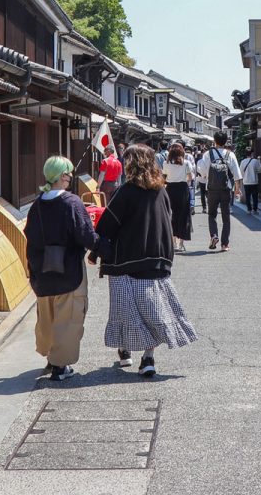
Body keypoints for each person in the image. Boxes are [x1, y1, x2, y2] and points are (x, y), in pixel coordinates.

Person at [94, 144, 198, 377]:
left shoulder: (126, 191)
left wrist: (95, 250)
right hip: (156, 259)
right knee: (154, 310)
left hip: (126, 260)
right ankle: (148, 357)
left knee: (125, 309)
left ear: (132, 163)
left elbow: (108, 224)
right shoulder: (160, 190)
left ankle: (125, 350)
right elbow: (166, 221)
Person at [24, 156, 109, 381]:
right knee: (68, 317)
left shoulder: (37, 204)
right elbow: (85, 235)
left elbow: (29, 236)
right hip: (69, 269)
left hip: (42, 270)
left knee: (47, 316)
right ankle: (61, 366)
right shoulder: (72, 203)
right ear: (62, 176)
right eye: (69, 173)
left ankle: (51, 358)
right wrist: (104, 248)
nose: (70, 177)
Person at [197, 131, 242, 251]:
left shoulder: (207, 154)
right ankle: (224, 244)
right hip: (225, 189)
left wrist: (207, 176)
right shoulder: (230, 154)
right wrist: (237, 189)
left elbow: (201, 170)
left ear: (214, 141)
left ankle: (214, 235)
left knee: (212, 214)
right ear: (226, 141)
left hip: (211, 189)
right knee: (226, 216)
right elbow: (237, 174)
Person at [162, 142, 194, 252]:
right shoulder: (186, 163)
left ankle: (173, 241)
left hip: (170, 189)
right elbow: (190, 177)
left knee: (171, 215)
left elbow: (164, 177)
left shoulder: (166, 163)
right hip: (183, 189)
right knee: (184, 215)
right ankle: (181, 243)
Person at [240, 149, 261, 214]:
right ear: (252, 154)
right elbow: (260, 169)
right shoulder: (255, 161)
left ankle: (249, 210)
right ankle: (255, 210)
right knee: (255, 196)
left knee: (247, 196)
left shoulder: (242, 161)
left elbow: (241, 171)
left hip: (246, 181)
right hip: (254, 181)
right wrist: (259, 161)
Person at [193, 143, 208, 213]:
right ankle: (205, 207)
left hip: (204, 179)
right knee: (205, 193)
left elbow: (197, 170)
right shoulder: (200, 161)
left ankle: (205, 207)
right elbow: (197, 170)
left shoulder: (200, 161)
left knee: (204, 193)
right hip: (205, 179)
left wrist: (202, 175)